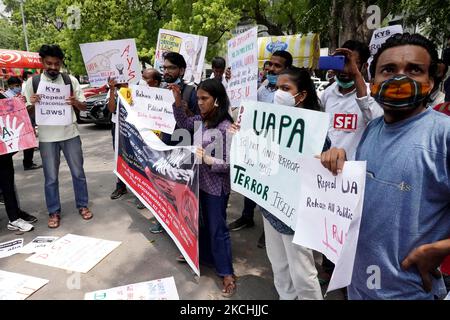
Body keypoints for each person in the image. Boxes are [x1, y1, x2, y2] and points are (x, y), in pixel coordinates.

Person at [320, 33, 450, 299]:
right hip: (358, 283)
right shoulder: (374, 128)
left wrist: (443, 248)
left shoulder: (443, 135)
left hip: (409, 291)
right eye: (388, 70)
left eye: (414, 69)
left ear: (432, 81)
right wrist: (340, 161)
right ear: (374, 80)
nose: (399, 78)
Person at [257, 67, 326, 299]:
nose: (279, 94)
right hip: (270, 206)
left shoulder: (316, 129)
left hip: (296, 213)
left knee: (302, 273)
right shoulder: (269, 122)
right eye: (277, 88)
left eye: (286, 89)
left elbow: (322, 170)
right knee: (279, 266)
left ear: (302, 95)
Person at [170, 78, 236, 297]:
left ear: (216, 100)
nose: (199, 103)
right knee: (202, 224)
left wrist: (208, 159)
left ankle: (226, 273)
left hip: (217, 188)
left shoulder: (226, 127)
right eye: (198, 98)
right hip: (199, 184)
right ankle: (206, 257)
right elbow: (183, 124)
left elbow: (229, 165)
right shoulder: (200, 121)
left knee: (218, 229)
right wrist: (178, 101)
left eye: (204, 98)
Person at [228, 50, 294, 249]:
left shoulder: (289, 92)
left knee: (272, 190)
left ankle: (270, 229)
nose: (271, 68)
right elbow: (247, 109)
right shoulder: (262, 88)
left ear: (286, 69)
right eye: (269, 64)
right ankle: (247, 216)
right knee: (253, 183)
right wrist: (235, 84)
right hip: (258, 145)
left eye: (277, 66)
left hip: (279, 150)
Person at [24, 44, 92, 229]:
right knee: (51, 178)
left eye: (57, 64)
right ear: (42, 62)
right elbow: (25, 113)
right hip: (46, 138)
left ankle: (83, 205)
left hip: (70, 134)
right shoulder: (32, 83)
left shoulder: (70, 81)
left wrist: (75, 102)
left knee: (78, 173)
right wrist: (32, 104)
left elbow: (85, 107)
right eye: (49, 63)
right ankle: (54, 212)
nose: (53, 67)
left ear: (61, 63)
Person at [149, 52, 199, 233]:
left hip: (183, 147)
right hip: (164, 145)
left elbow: (199, 123)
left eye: (171, 67)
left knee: (181, 188)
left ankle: (183, 227)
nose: (167, 71)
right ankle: (162, 220)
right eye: (165, 67)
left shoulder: (191, 92)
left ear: (182, 70)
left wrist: (187, 112)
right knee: (163, 183)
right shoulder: (159, 90)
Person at [321, 40, 383, 161]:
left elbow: (376, 123)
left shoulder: (372, 96)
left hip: (354, 171)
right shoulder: (327, 93)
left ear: (364, 66)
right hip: (326, 169)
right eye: (342, 62)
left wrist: (356, 76)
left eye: (352, 64)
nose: (345, 69)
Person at [0, 92, 38, 232]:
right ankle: (14, 215)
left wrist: (19, 102)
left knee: (8, 184)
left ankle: (14, 217)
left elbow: (12, 109)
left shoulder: (1, 96)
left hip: (3, 152)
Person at [5, 76, 41, 171]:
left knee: (29, 143)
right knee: (12, 147)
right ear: (10, 86)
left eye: (20, 85)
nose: (19, 88)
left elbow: (25, 109)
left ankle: (28, 163)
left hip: (23, 122)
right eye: (17, 86)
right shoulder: (5, 96)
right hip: (12, 125)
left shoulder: (20, 96)